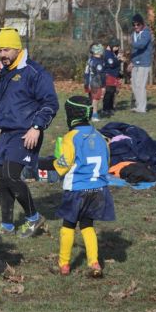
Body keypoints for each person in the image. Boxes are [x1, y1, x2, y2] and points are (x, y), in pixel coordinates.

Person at [0, 27, 59, 238]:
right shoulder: (3, 71)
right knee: (2, 179)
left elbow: (50, 103)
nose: (2, 55)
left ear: (17, 48)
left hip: (26, 133)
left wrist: (37, 127)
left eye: (6, 50)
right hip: (6, 132)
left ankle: (34, 218)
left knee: (11, 175)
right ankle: (7, 225)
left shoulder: (34, 72)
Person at [38, 96, 116, 277]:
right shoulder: (101, 137)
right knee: (88, 225)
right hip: (98, 190)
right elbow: (107, 162)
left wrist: (43, 164)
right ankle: (94, 263)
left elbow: (62, 165)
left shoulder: (70, 137)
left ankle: (64, 264)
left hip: (77, 190)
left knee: (68, 225)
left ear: (71, 114)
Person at [129, 13, 153, 113]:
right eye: (134, 25)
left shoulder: (146, 33)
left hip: (144, 63)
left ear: (142, 24)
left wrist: (132, 43)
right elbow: (134, 50)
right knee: (134, 85)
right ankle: (138, 105)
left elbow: (141, 45)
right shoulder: (133, 35)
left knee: (140, 85)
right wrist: (131, 62)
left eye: (138, 24)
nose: (136, 27)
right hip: (135, 63)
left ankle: (142, 108)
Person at [102, 38, 124, 116]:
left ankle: (110, 108)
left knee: (112, 93)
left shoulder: (112, 53)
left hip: (113, 76)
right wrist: (119, 60)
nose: (117, 48)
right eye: (116, 46)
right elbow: (111, 64)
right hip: (109, 76)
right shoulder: (107, 53)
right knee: (108, 93)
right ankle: (105, 109)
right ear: (111, 46)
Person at [84, 43, 105, 122]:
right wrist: (103, 86)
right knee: (95, 99)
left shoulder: (90, 59)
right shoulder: (98, 62)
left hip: (88, 81)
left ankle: (88, 114)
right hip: (95, 83)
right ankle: (94, 115)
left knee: (91, 99)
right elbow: (100, 74)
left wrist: (86, 83)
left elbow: (86, 72)